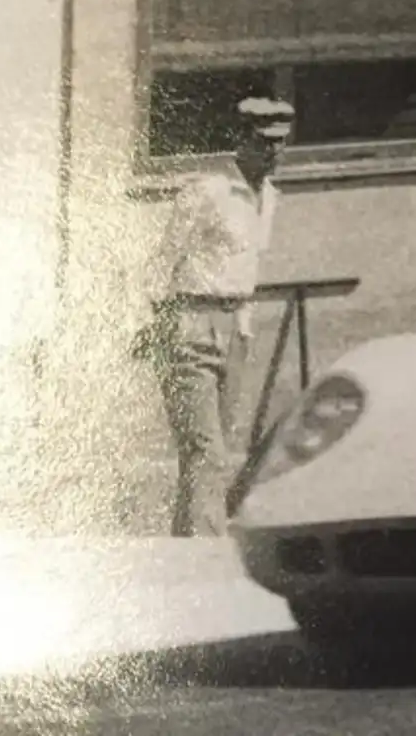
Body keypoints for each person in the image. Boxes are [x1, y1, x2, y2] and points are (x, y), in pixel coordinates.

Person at [135, 95, 293, 538]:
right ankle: (206, 551)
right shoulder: (208, 190)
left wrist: (243, 326)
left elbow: (249, 266)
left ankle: (187, 549)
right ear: (241, 139)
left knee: (217, 449)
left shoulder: (270, 197)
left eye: (282, 144)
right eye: (264, 142)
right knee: (205, 450)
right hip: (191, 321)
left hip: (235, 326)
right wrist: (161, 325)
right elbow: (162, 261)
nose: (274, 153)